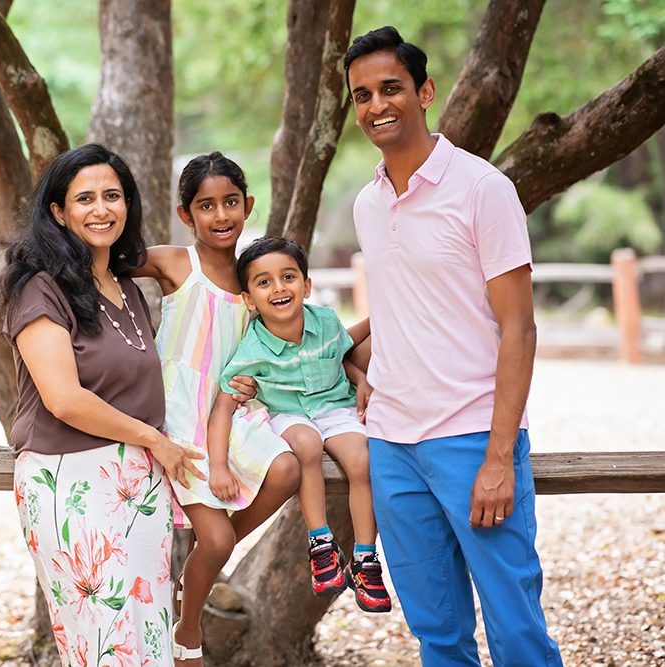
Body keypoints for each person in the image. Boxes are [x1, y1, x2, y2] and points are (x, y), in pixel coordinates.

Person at [345, 26, 563, 665]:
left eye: (391, 88)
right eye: (362, 95)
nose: (377, 105)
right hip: (391, 445)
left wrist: (500, 456)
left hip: (472, 438)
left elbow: (518, 328)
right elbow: (403, 306)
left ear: (425, 91)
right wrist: (361, 365)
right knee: (436, 632)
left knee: (515, 628)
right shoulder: (366, 202)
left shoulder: (483, 188)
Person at [0, 143, 204, 667]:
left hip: (138, 484)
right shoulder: (38, 289)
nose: (101, 209)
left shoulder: (126, 288)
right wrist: (156, 440)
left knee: (148, 639)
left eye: (112, 196)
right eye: (84, 198)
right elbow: (65, 399)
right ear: (58, 212)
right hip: (69, 482)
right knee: (101, 645)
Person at [133, 152, 301, 664]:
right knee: (218, 539)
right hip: (183, 416)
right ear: (187, 215)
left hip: (233, 409)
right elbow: (106, 259)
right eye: (206, 205)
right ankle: (187, 627)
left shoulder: (254, 273)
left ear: (248, 206)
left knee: (289, 468)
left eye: (231, 202)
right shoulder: (173, 261)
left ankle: (205, 562)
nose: (221, 214)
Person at [210, 235, 392, 614]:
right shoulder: (252, 349)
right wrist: (217, 465)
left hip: (336, 407)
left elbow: (340, 354)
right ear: (249, 299)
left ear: (306, 285)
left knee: (362, 461)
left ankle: (364, 558)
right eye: (264, 282)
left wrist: (362, 381)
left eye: (288, 277)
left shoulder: (325, 321)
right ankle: (321, 543)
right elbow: (223, 406)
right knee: (306, 445)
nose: (278, 288)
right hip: (288, 415)